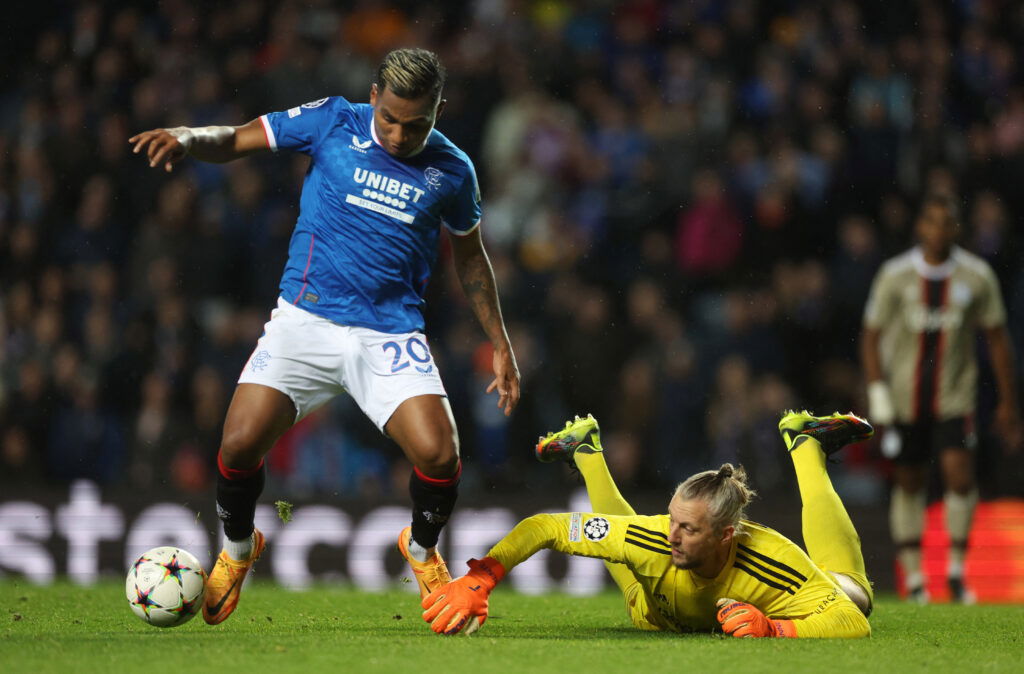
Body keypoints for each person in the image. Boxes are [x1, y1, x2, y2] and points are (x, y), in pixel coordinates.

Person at [129, 48, 520, 624]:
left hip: (390, 333)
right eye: (389, 117)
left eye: (417, 124)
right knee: (237, 445)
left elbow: (470, 259)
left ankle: (420, 548)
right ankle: (238, 549)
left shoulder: (453, 169)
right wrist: (189, 136)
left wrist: (501, 341)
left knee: (440, 456)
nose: (399, 133)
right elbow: (237, 139)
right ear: (372, 98)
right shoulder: (332, 120)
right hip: (305, 321)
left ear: (438, 110)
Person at [420, 412, 873, 638]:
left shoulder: (771, 559)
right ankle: (584, 449)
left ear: (725, 535)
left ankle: (805, 446)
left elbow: (851, 620)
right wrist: (483, 576)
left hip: (664, 610)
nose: (671, 535)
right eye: (672, 521)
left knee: (857, 595)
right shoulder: (654, 538)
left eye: (689, 529)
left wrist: (776, 629)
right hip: (649, 601)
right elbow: (546, 527)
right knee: (629, 542)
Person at [861, 192, 1020, 603]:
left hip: (956, 397)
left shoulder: (976, 276)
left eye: (947, 222)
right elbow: (871, 336)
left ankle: (955, 571)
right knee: (910, 480)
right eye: (931, 221)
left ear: (957, 228)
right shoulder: (895, 275)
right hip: (903, 398)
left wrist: (1008, 400)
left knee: (959, 475)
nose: (939, 230)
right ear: (920, 227)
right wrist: (877, 392)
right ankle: (914, 580)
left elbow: (998, 339)